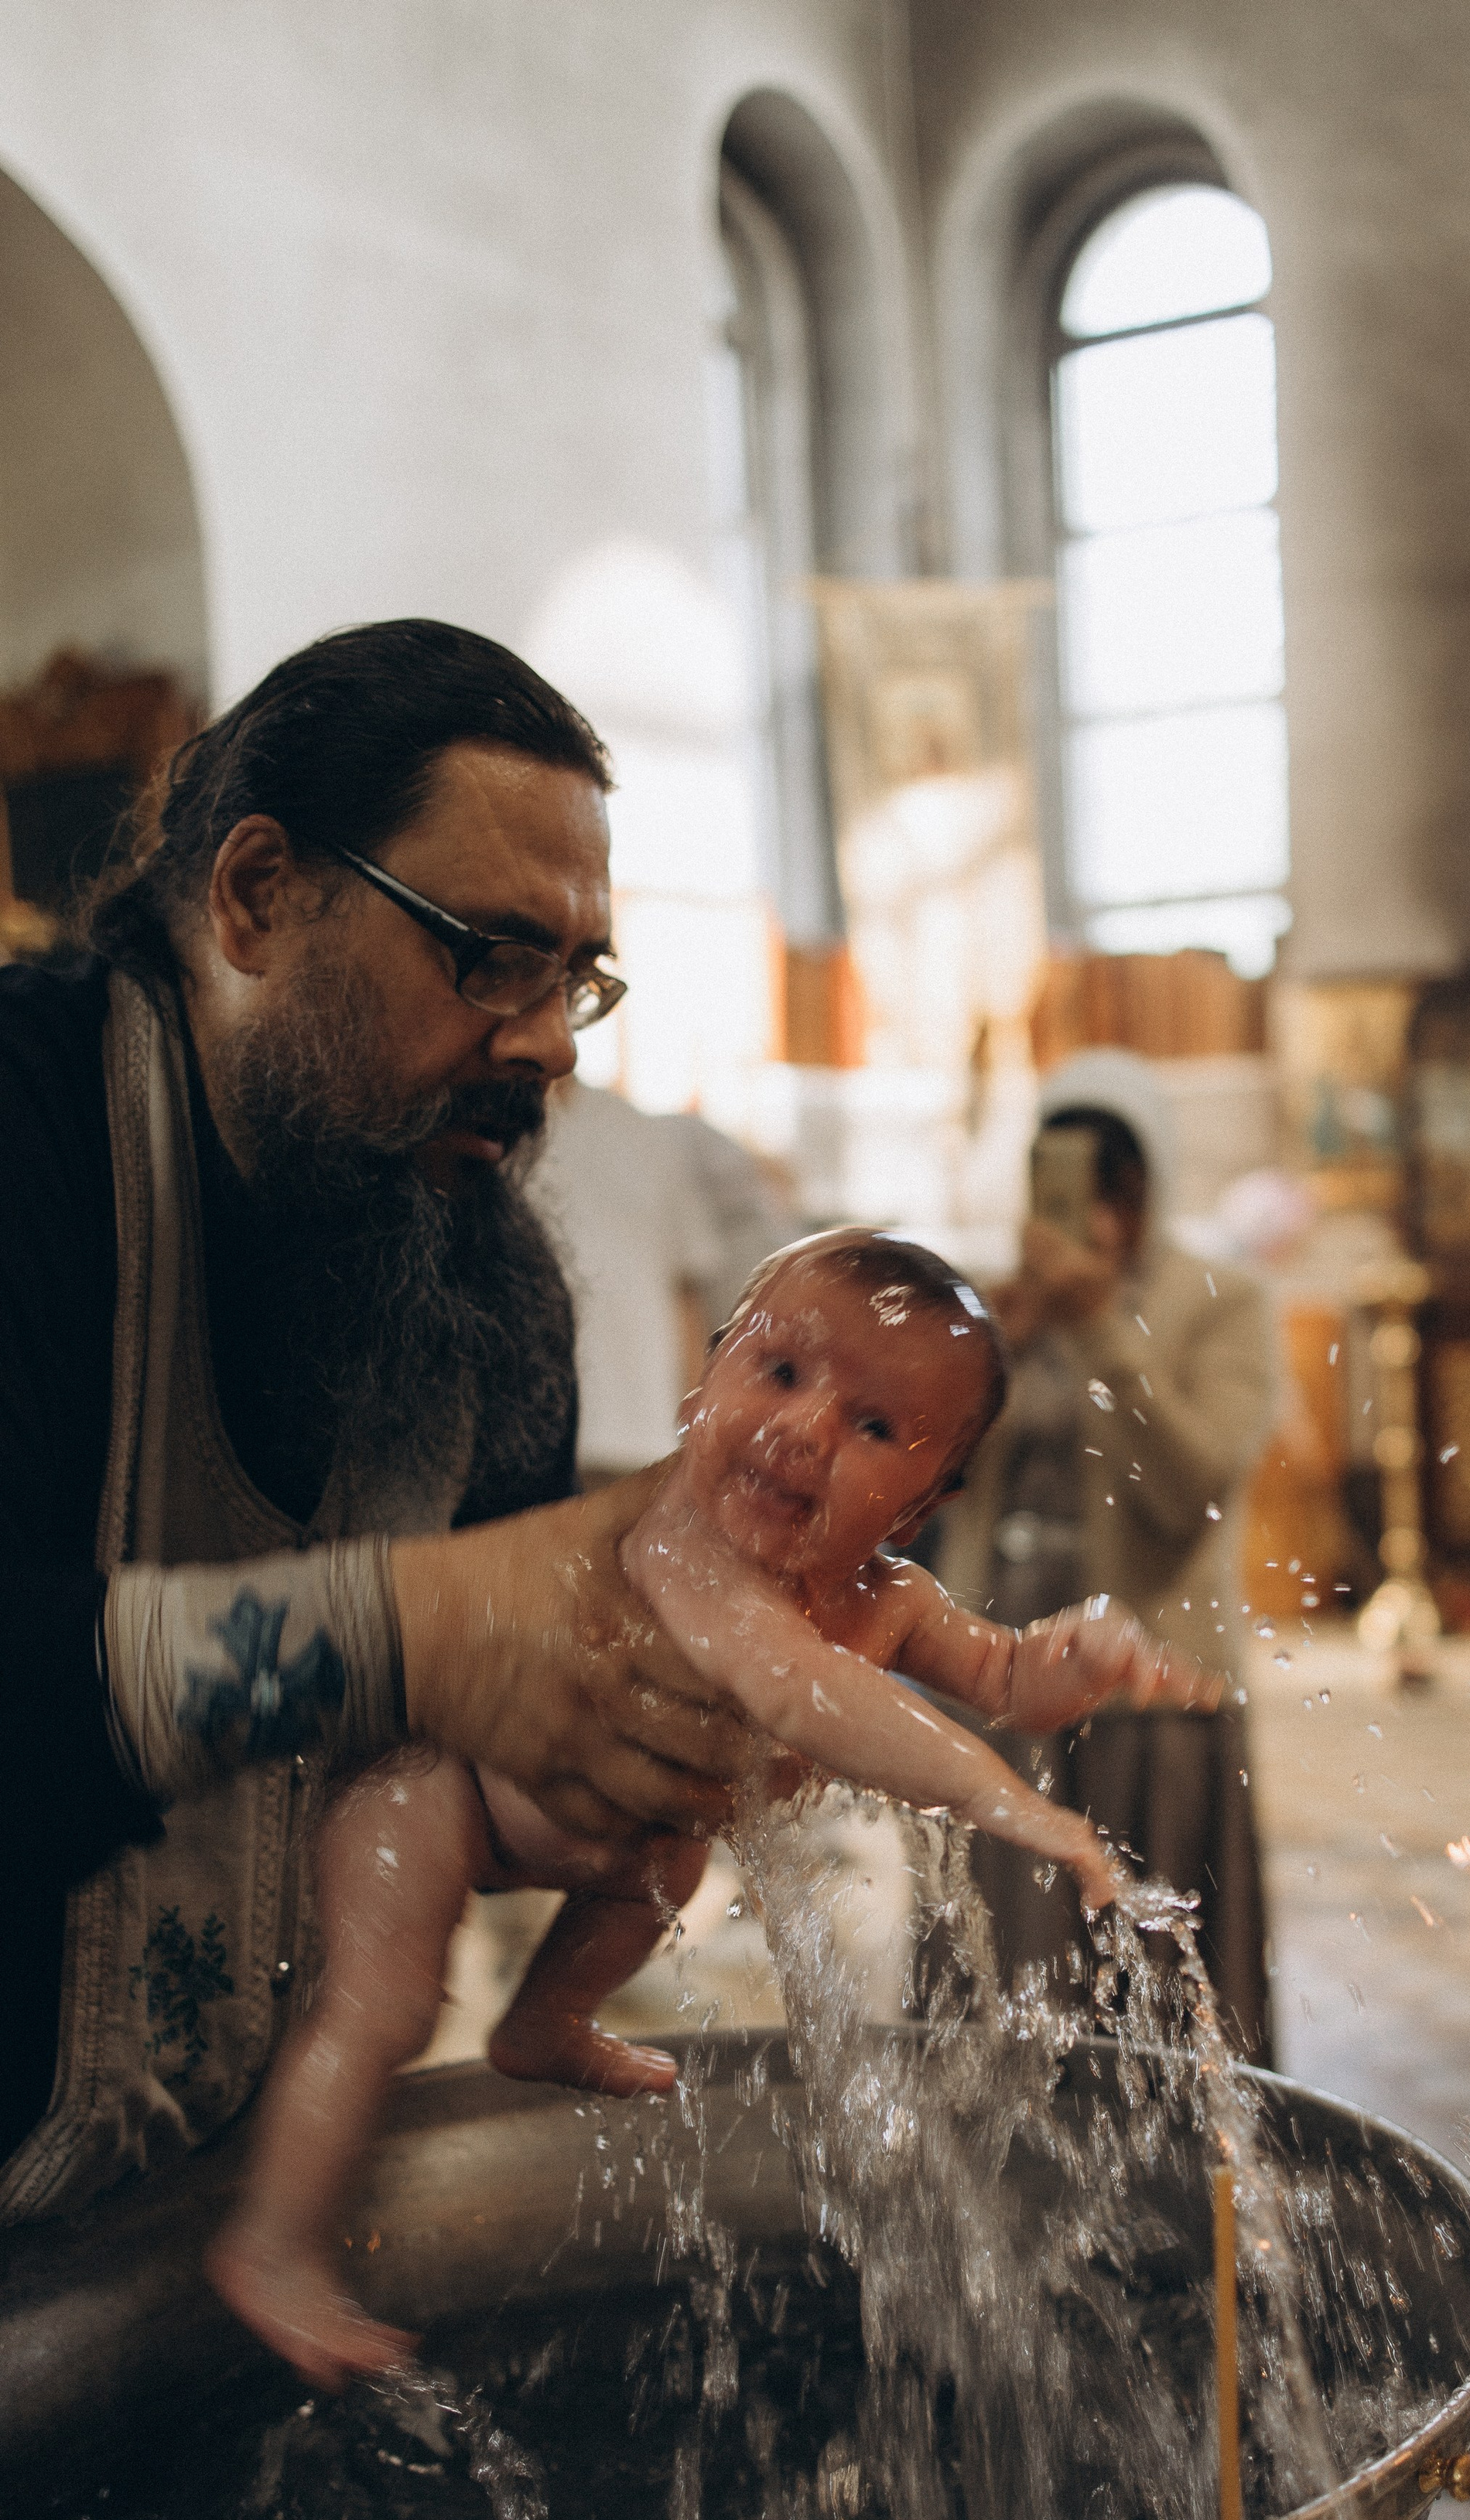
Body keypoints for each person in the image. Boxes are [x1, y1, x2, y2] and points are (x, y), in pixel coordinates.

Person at [0, 620, 759, 2223]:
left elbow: (414, 1787)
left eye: (576, 980)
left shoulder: (481, 1286)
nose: (545, 1043)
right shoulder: (33, 1136)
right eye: (484, 954)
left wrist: (584, 1776)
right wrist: (395, 1632)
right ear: (259, 895)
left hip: (222, 2205)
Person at [210, 1230, 1215, 2387]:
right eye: (780, 1373)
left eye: (874, 1428)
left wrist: (1074, 1657)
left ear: (925, 1501)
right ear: (704, 1382)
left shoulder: (892, 1598)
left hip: (600, 1832)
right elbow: (803, 1687)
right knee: (379, 2012)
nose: (804, 1431)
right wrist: (1005, 1803)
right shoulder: (681, 1547)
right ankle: (271, 2246)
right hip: (432, 1789)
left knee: (668, 1865)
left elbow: (1003, 1680)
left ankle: (540, 2023)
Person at [939, 1049, 1279, 2056]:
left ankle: (1183, 2187)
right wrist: (978, 1361)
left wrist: (1102, 1329)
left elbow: (1192, 1487)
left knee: (1153, 1983)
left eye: (1113, 1185)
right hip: (1002, 1672)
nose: (1092, 1212)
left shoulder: (1221, 1298)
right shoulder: (1004, 1306)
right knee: (1007, 1970)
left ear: (1147, 1189)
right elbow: (930, 1488)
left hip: (1149, 1682)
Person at [532, 1079, 800, 1484]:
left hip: (645, 1438)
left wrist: (694, 1436)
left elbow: (685, 1298)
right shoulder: (497, 1132)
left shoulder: (641, 1134)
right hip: (537, 1441)